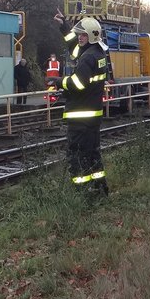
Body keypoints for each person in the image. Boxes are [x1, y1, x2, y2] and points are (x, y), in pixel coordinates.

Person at [50, 17, 109, 197]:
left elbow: (78, 83)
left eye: (83, 35)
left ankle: (81, 192)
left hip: (80, 115)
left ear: (91, 36)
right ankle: (99, 188)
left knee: (76, 155)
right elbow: (74, 49)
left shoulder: (87, 58)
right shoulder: (98, 53)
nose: (80, 38)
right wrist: (65, 28)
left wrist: (59, 82)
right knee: (92, 153)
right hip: (93, 114)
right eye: (79, 35)